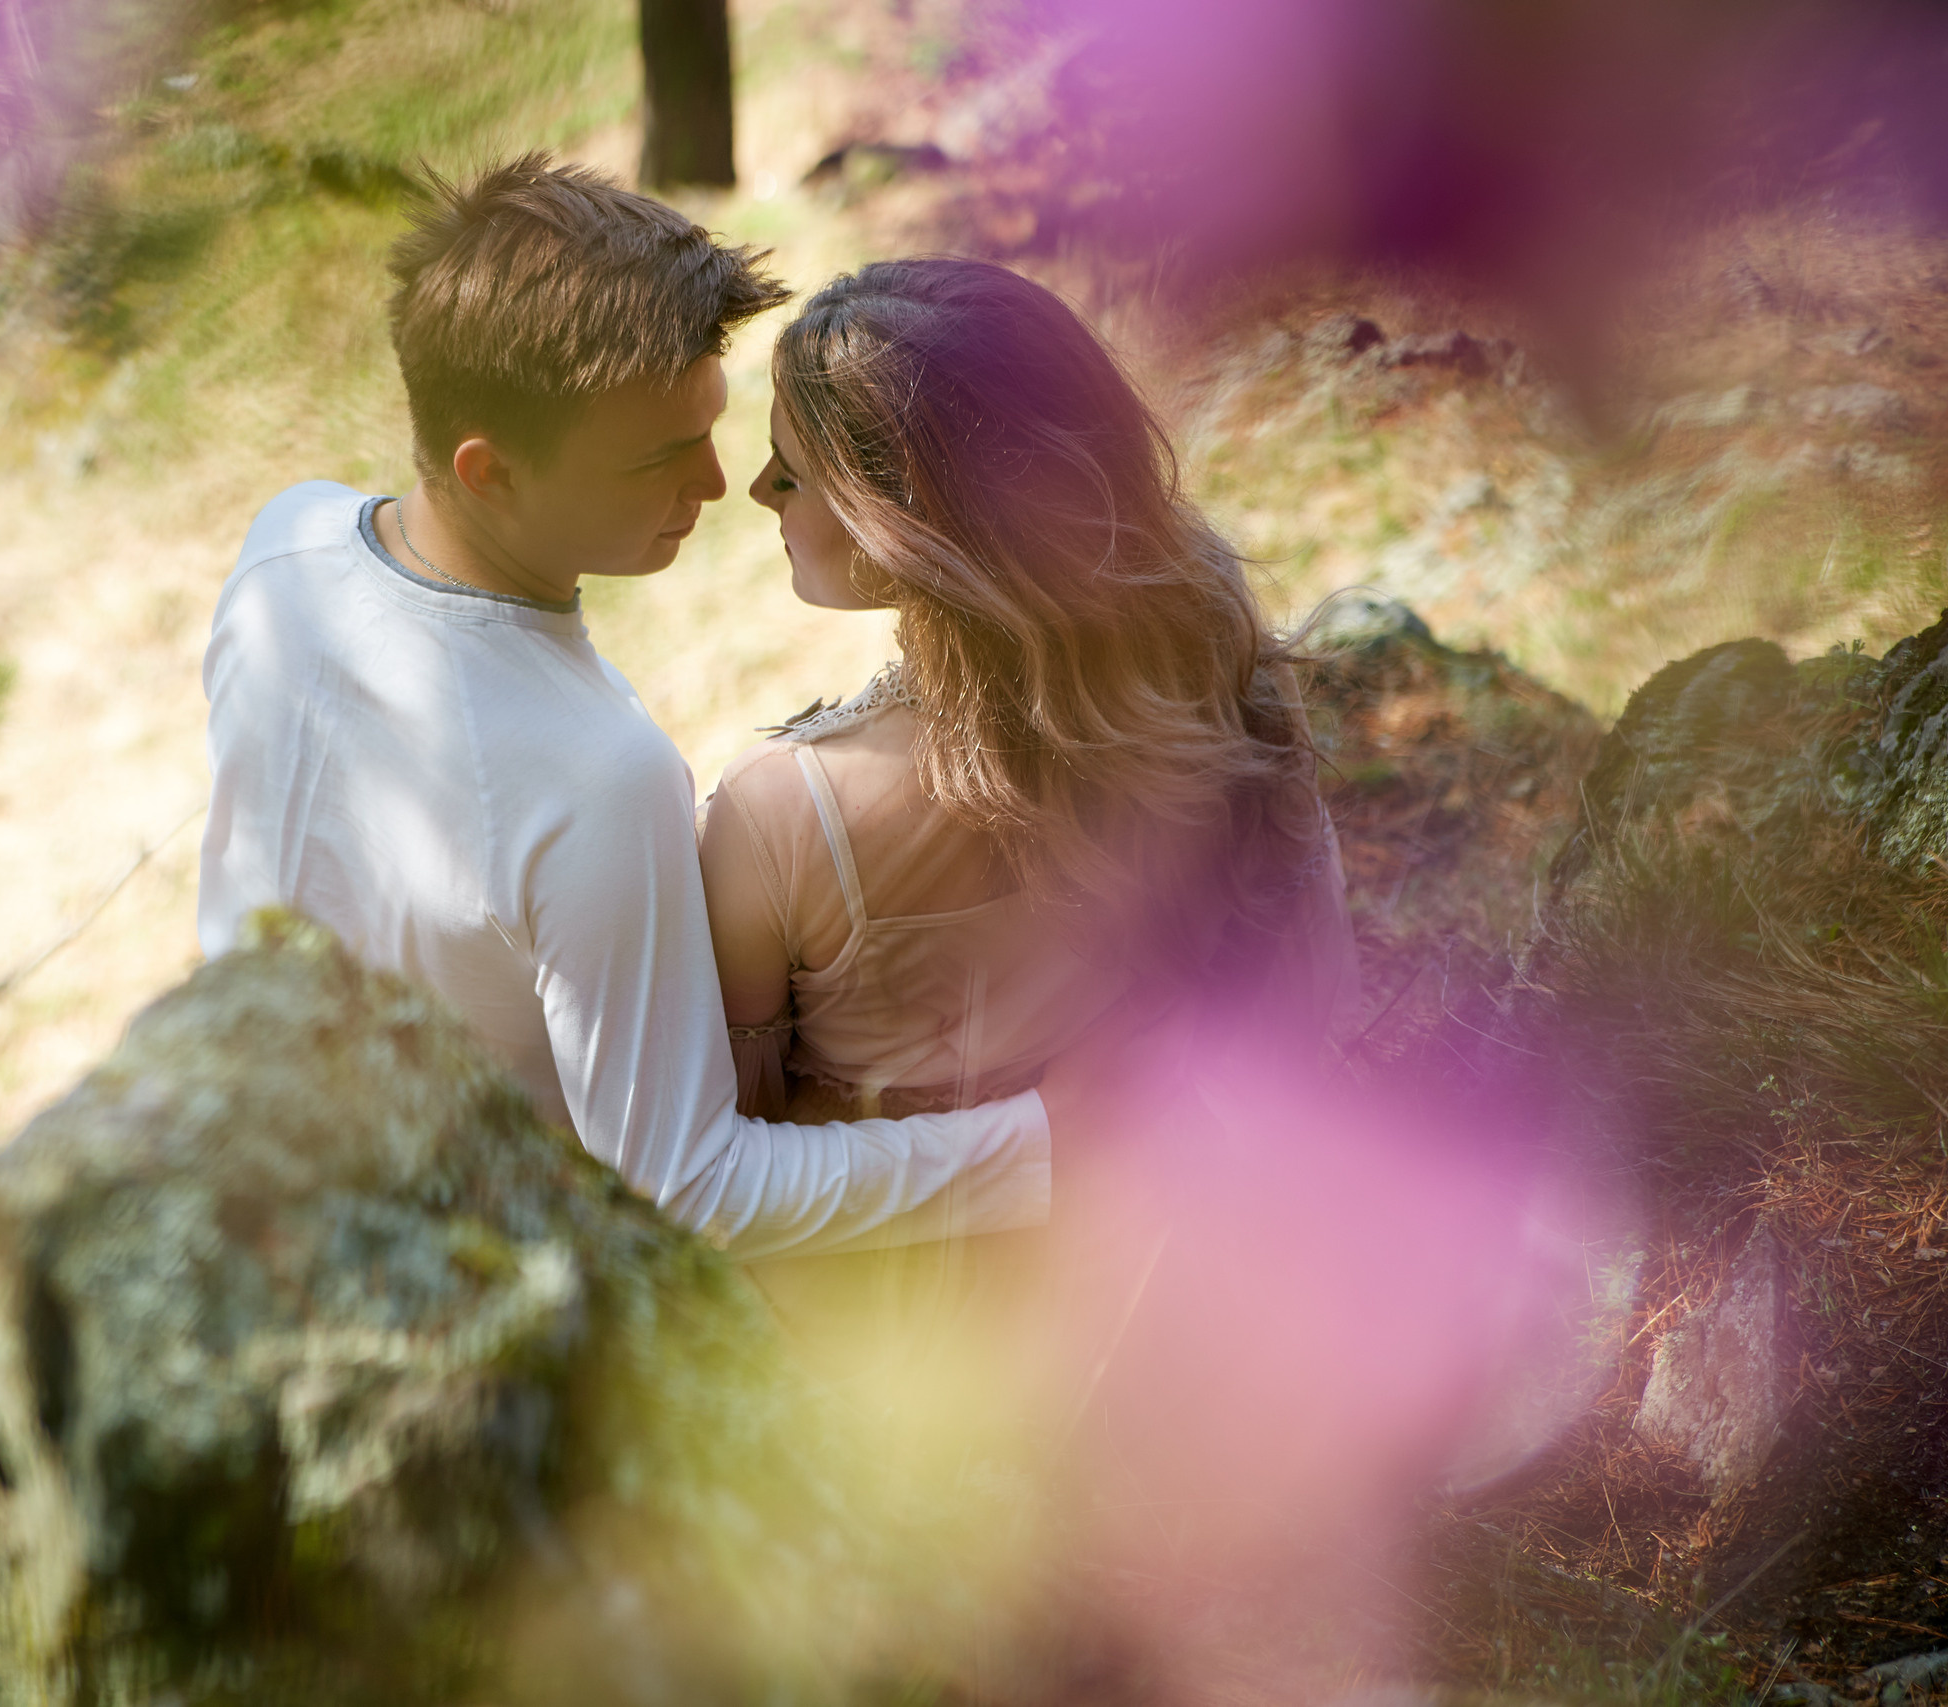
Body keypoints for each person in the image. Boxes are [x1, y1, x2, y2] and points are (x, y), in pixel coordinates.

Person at [198, 158, 1104, 1262]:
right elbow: (690, 1189)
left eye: (708, 427)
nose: (719, 485)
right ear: (489, 473)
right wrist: (1041, 1147)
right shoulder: (597, 777)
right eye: (662, 457)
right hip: (462, 1291)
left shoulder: (286, 543)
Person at [701, 256, 1357, 1373]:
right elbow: (1308, 987)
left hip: (906, 1376)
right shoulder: (1205, 659)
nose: (759, 491)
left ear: (900, 519)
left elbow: (724, 1188)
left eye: (792, 470)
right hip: (1185, 1296)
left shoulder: (782, 813)